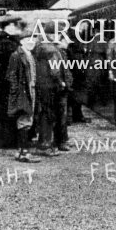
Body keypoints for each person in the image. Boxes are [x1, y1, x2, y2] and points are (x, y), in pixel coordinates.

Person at [34, 27, 73, 156]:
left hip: (44, 86)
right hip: (53, 87)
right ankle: (47, 144)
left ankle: (47, 142)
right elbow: (55, 70)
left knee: (46, 114)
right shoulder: (51, 49)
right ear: (51, 35)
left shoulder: (41, 47)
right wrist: (61, 83)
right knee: (52, 115)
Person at [0, 16, 25, 148]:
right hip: (7, 82)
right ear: (8, 26)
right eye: (14, 25)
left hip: (3, 81)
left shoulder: (2, 40)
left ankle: (2, 140)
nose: (17, 28)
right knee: (8, 110)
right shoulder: (6, 43)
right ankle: (8, 141)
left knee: (3, 111)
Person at [7, 31, 41, 163]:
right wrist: (17, 93)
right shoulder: (16, 56)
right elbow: (11, 75)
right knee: (24, 120)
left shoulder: (30, 55)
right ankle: (24, 152)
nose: (31, 43)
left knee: (28, 119)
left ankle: (21, 150)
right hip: (23, 92)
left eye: (33, 40)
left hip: (30, 90)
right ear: (21, 42)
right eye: (28, 40)